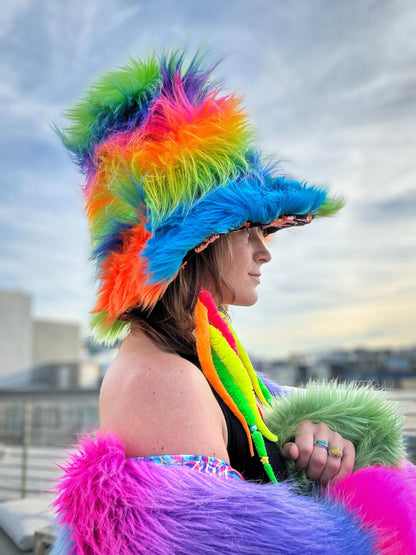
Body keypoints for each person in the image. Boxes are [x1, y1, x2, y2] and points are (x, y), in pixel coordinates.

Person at [52, 50, 416, 554]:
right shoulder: (166, 380)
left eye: (267, 230)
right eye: (250, 230)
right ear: (197, 240)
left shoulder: (206, 358)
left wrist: (311, 447)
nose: (266, 251)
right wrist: (363, 516)